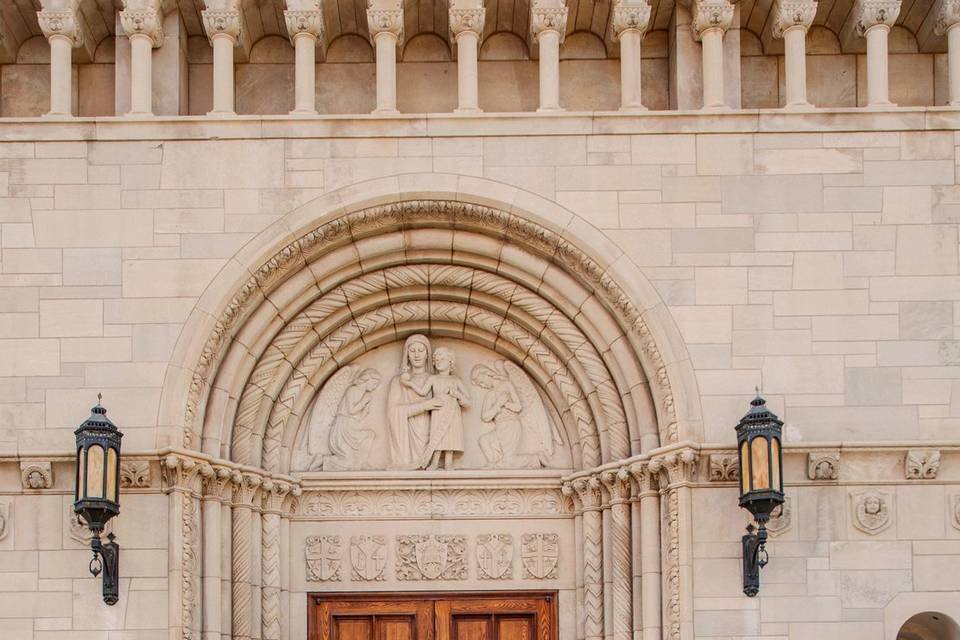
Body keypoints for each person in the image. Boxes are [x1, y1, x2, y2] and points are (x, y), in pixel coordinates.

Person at [400, 347, 470, 469]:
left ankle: (448, 463)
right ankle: (434, 462)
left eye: (442, 359)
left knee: (450, 437)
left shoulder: (456, 380)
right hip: (438, 410)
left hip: (452, 413)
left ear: (450, 362)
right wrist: (409, 384)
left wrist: (456, 394)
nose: (438, 361)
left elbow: (468, 402)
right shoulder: (433, 378)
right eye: (436, 359)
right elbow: (422, 392)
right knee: (437, 436)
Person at [386, 334, 445, 469]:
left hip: (431, 432)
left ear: (427, 354)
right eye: (412, 351)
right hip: (407, 438)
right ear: (407, 355)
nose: (416, 355)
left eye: (421, 350)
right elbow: (393, 412)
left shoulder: (434, 379)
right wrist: (424, 405)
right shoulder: (398, 382)